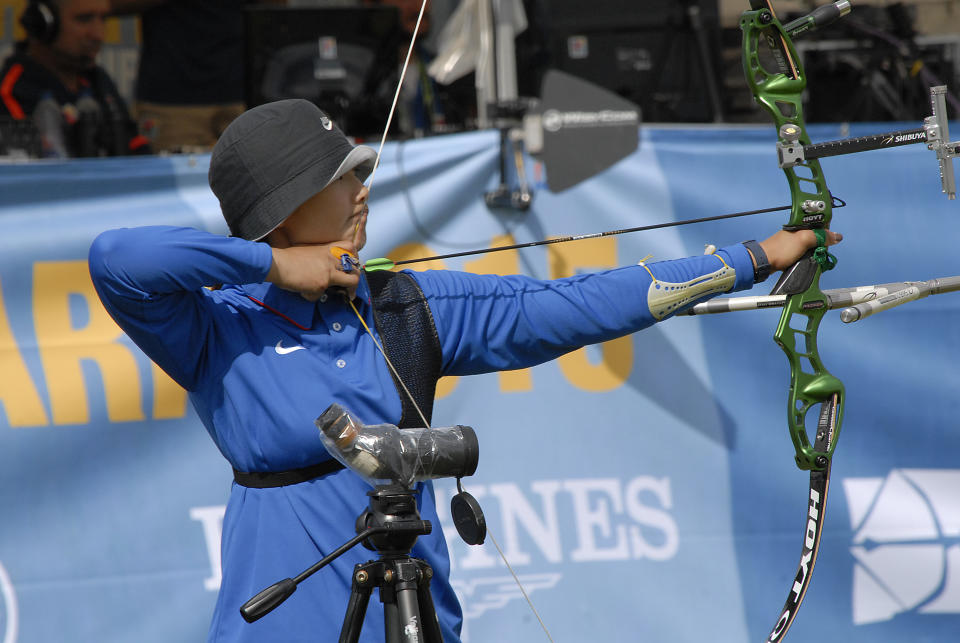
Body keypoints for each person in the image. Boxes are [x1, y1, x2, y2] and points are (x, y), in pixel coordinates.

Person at [88, 99, 841, 642]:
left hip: (416, 618)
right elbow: (117, 260)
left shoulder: (403, 305)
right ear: (281, 214)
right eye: (339, 178)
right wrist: (274, 265)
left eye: (359, 170)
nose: (362, 190)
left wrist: (751, 258)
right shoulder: (216, 326)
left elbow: (575, 304)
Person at [107, 0, 284, 153]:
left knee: (255, 186)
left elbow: (276, 13)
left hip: (240, 95)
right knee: (168, 186)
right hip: (170, 101)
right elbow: (105, 5)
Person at [0, 0, 148, 158]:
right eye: (84, 19)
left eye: (103, 20)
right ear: (41, 23)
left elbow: (138, 155)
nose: (98, 34)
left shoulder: (98, 80)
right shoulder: (13, 90)